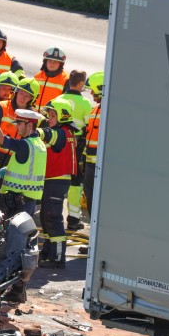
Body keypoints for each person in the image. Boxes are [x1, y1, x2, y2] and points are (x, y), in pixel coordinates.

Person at [0, 100, 46, 303]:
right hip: (28, 203)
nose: (16, 127)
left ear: (30, 125)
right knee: (24, 247)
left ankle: (1, 288)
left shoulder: (24, 145)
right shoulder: (40, 145)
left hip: (17, 203)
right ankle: (19, 289)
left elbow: (1, 139)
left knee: (9, 247)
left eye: (19, 124)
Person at [36, 97, 77, 269]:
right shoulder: (65, 132)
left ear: (62, 116)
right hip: (53, 179)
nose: (49, 119)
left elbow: (47, 135)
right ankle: (47, 251)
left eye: (52, 116)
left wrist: (33, 131)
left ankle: (58, 257)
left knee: (53, 218)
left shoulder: (62, 133)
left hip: (57, 180)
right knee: (46, 217)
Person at [57, 70, 93, 231]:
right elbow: (89, 127)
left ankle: (52, 216)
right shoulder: (85, 104)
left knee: (55, 180)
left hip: (57, 144)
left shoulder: (58, 99)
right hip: (76, 147)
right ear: (80, 84)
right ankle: (73, 219)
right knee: (75, 183)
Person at [82, 72, 104, 222]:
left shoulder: (110, 111)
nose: (91, 93)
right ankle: (93, 237)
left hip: (101, 166)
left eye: (93, 90)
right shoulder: (95, 109)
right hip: (90, 164)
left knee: (98, 200)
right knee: (90, 196)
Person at [34, 47, 69, 111]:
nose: (52, 63)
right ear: (45, 62)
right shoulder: (37, 77)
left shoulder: (66, 80)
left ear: (60, 64)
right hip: (33, 116)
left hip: (51, 119)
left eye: (55, 61)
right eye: (50, 61)